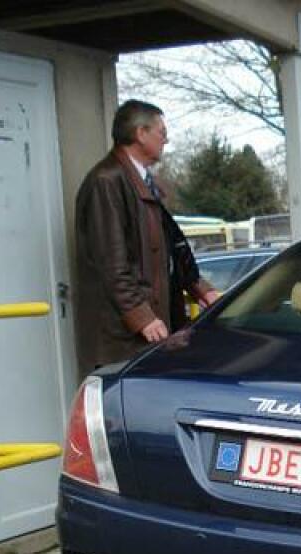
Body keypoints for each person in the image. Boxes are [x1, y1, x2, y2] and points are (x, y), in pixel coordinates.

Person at [74, 99, 219, 376]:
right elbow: (112, 263)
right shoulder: (107, 182)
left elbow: (171, 247)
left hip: (149, 329)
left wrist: (199, 286)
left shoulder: (140, 181)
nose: (166, 140)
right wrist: (143, 318)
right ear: (140, 133)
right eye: (161, 133)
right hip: (124, 338)